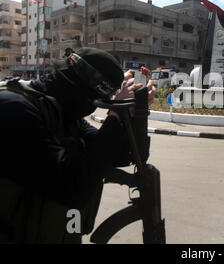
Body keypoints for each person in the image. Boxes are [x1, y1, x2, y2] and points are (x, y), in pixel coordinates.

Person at [0, 47, 155, 243]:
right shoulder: (13, 110)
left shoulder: (64, 113)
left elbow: (124, 155)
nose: (95, 105)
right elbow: (72, 187)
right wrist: (115, 116)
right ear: (79, 88)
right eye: (96, 100)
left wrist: (137, 112)